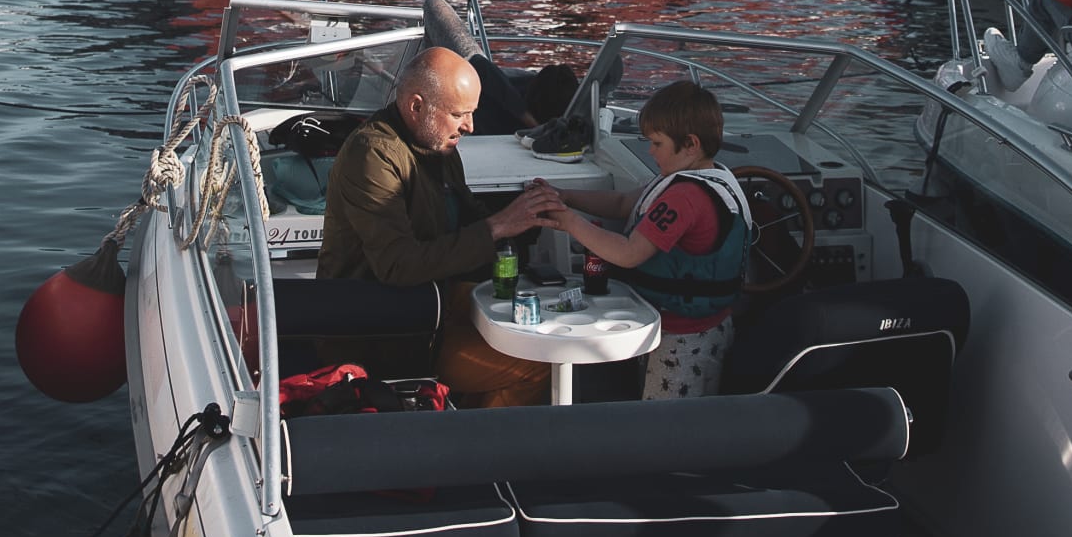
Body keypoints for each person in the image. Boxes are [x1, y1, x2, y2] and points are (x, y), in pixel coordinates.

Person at [317, 46, 557, 407]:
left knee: (543, 325)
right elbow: (399, 265)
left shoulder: (438, 145)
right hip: (388, 333)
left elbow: (468, 215)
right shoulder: (372, 155)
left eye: (472, 114)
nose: (470, 127)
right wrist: (498, 225)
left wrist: (532, 216)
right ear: (416, 106)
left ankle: (462, 416)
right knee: (537, 365)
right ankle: (477, 455)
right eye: (459, 114)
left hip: (434, 303)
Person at [537, 80, 749, 398]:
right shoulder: (702, 177)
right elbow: (624, 203)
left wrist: (569, 223)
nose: (650, 151)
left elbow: (629, 253)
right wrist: (564, 196)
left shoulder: (685, 197)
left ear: (690, 144)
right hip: (708, 326)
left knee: (666, 430)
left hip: (685, 339)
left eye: (657, 143)